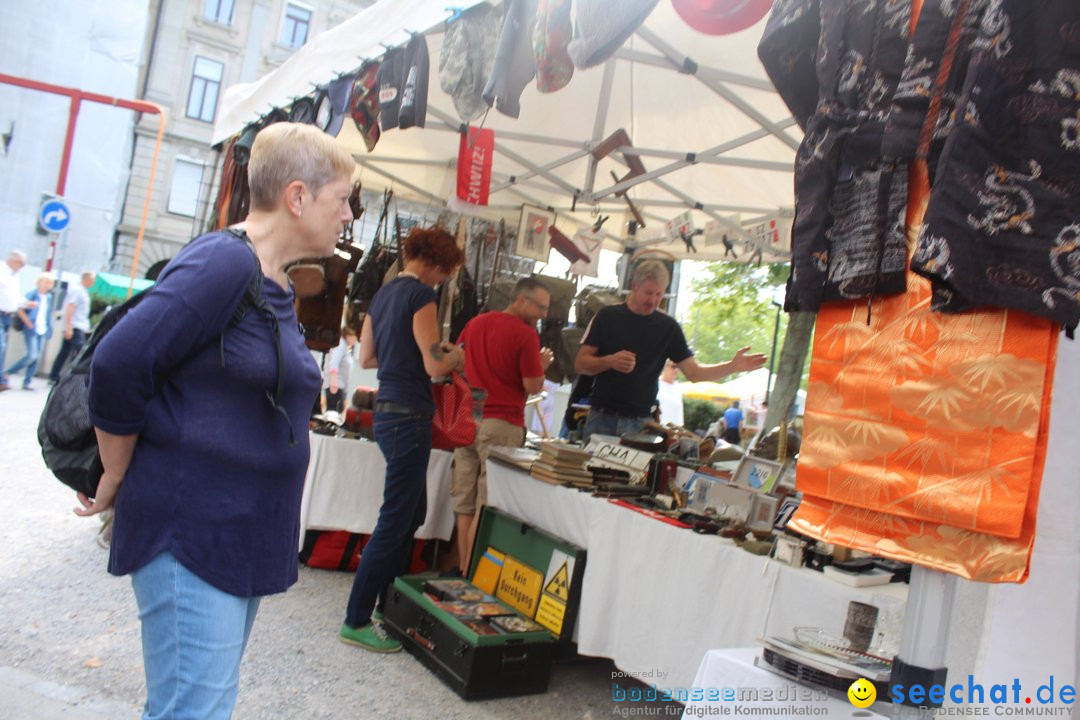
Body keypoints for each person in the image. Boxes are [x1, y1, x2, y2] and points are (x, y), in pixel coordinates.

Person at [77, 122, 354, 719]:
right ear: (298, 196)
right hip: (192, 528)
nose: (350, 214)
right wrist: (116, 471)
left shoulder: (270, 278)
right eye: (342, 198)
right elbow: (120, 361)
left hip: (232, 530)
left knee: (200, 707)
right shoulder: (225, 262)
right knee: (192, 712)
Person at [341, 226, 465, 654]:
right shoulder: (421, 297)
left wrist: (413, 355)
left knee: (412, 512)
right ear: (433, 263)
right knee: (396, 519)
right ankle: (357, 618)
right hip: (410, 413)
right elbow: (435, 365)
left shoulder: (383, 294)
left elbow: (367, 357)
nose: (444, 278)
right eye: (445, 270)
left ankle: (384, 604)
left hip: (385, 411)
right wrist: (455, 354)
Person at [574, 260, 766, 441]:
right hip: (602, 417)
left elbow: (694, 373)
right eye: (648, 293)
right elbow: (580, 364)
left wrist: (732, 366)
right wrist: (610, 361)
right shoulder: (607, 316)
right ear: (634, 286)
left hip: (641, 422)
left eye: (659, 294)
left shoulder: (668, 327)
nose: (654, 300)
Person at [451, 277, 554, 574]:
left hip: (467, 419)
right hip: (502, 424)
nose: (544, 315)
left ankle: (462, 567)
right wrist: (541, 365)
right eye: (541, 307)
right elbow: (532, 385)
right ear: (521, 299)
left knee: (464, 501)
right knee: (485, 502)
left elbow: (458, 361)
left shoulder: (476, 323)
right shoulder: (525, 335)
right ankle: (471, 573)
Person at [5, 271, 55, 390]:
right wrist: (28, 322)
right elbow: (20, 309)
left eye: (50, 283)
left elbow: (47, 314)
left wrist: (49, 327)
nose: (47, 284)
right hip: (32, 328)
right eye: (45, 282)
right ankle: (8, 372)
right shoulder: (32, 294)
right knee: (31, 355)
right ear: (40, 282)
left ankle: (27, 382)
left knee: (36, 357)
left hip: (42, 329)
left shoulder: (48, 297)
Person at [48, 271, 95, 383]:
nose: (93, 283)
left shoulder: (82, 291)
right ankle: (74, 378)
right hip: (75, 326)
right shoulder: (77, 290)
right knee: (81, 352)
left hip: (77, 325)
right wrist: (68, 327)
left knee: (65, 352)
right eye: (92, 280)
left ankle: (54, 376)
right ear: (86, 279)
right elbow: (70, 308)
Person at [0, 250, 29, 391]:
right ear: (12, 260)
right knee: (1, 346)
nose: (23, 267)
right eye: (21, 263)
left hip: (7, 316)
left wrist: (25, 302)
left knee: (2, 347)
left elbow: (15, 295)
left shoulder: (15, 276)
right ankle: (1, 380)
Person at [323, 325, 359, 413]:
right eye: (355, 338)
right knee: (333, 412)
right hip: (335, 385)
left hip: (340, 386)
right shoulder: (340, 345)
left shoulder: (346, 348)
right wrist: (333, 381)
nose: (355, 341)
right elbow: (334, 362)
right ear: (349, 335)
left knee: (338, 411)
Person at [656, 359, 684, 426]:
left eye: (679, 367)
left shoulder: (678, 388)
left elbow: (679, 416)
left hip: (670, 433)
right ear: (665, 366)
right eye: (673, 366)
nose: (676, 370)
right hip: (654, 428)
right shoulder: (655, 383)